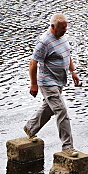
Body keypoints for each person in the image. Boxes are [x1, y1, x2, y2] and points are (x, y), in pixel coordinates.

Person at [24, 12, 80, 152]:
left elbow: (67, 55)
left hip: (59, 80)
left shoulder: (63, 37)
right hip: (47, 82)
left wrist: (73, 71)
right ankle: (68, 146)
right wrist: (34, 84)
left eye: (65, 28)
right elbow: (33, 63)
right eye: (62, 28)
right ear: (53, 27)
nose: (65, 30)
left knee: (48, 109)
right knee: (61, 111)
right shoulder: (44, 42)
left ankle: (30, 128)